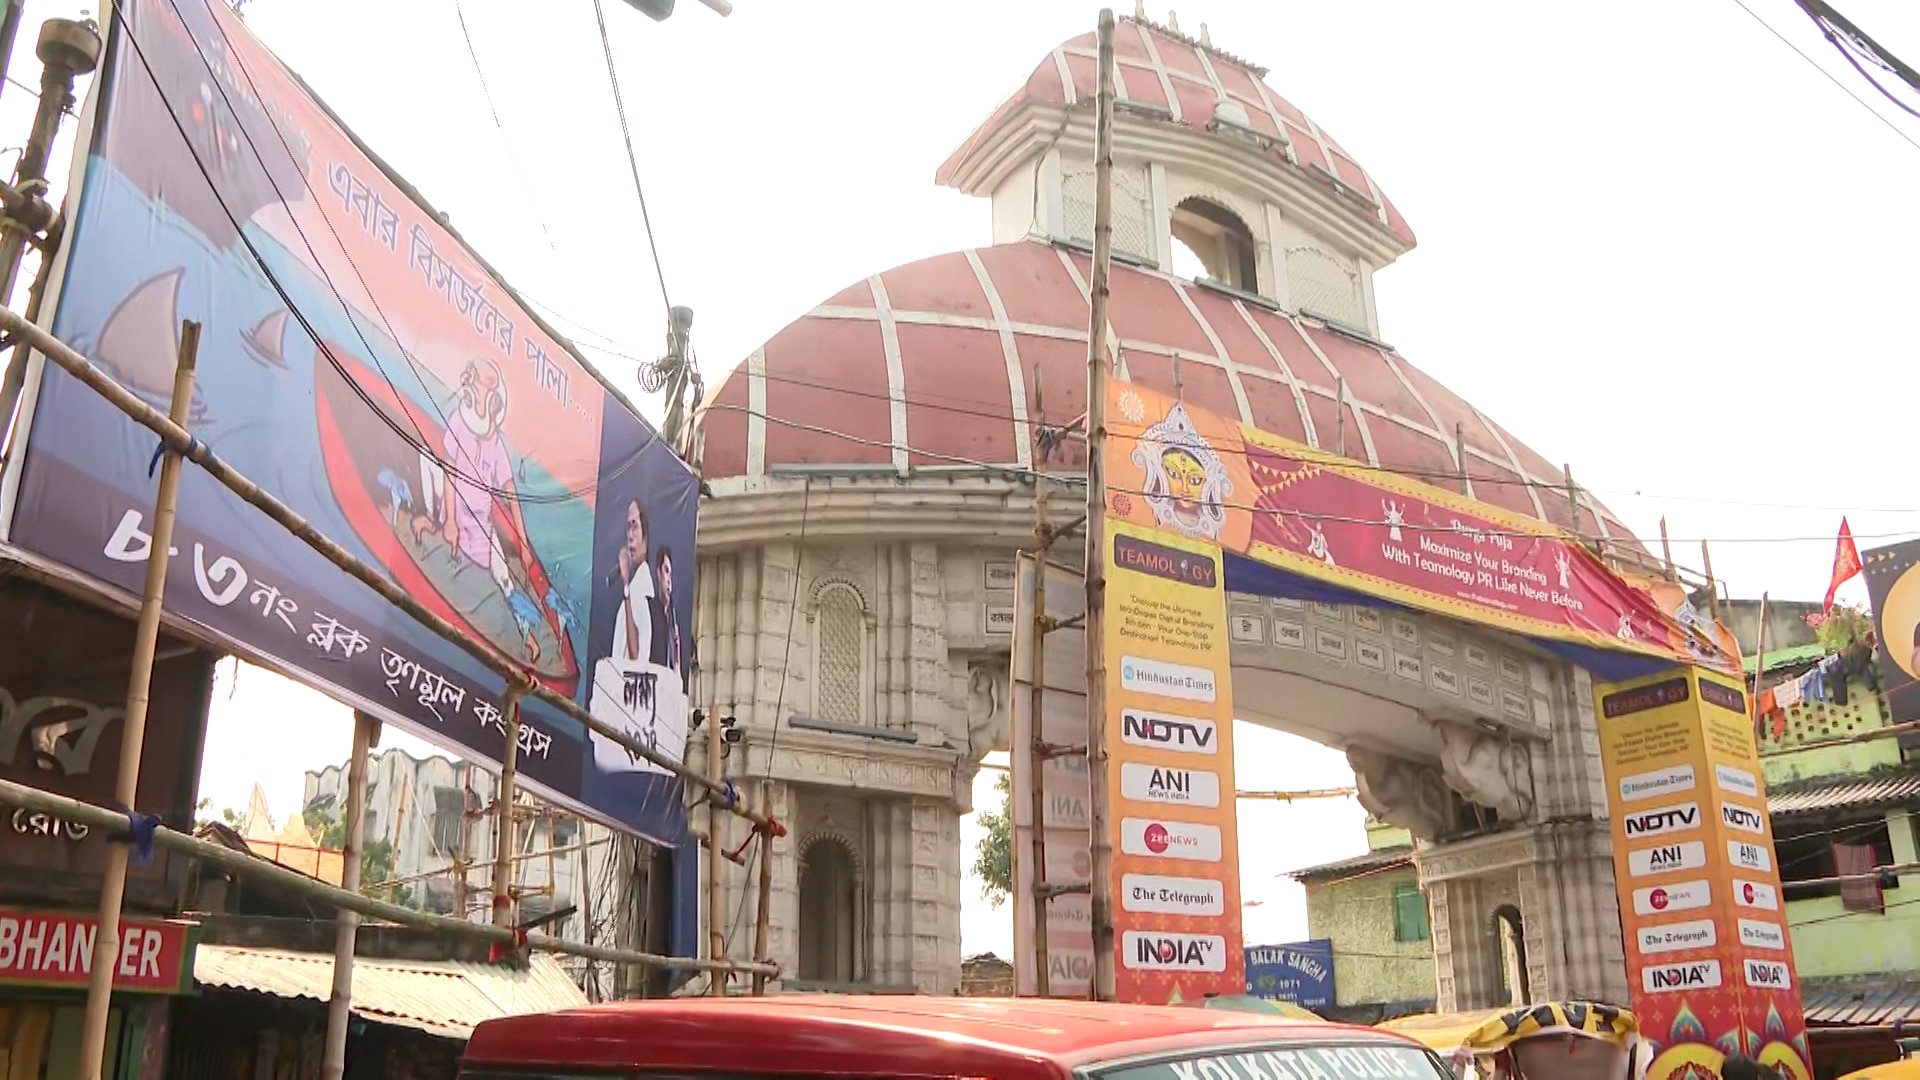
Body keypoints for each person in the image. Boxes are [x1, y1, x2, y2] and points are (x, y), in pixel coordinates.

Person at [614, 500, 655, 669]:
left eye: (635, 526)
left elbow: (635, 656)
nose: (630, 536)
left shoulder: (642, 591)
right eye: (628, 527)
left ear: (646, 538)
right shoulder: (636, 586)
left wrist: (624, 584)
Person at [653, 547, 683, 676]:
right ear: (658, 573)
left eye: (671, 574)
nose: (669, 581)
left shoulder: (672, 621)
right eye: (666, 571)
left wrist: (677, 661)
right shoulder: (648, 610)